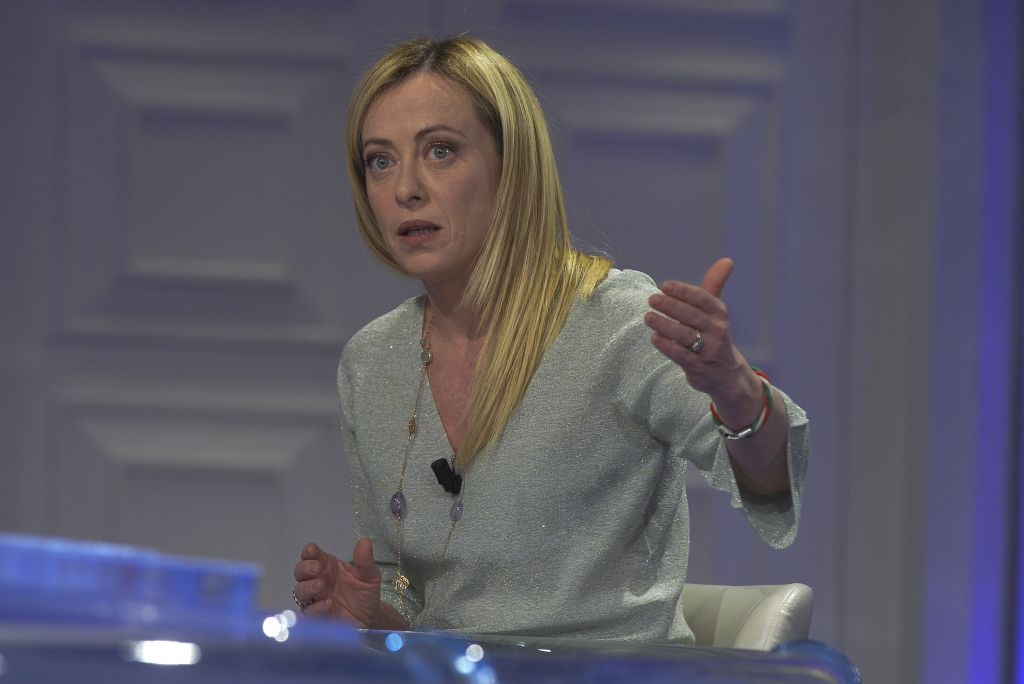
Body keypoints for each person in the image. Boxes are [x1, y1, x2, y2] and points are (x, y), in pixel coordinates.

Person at [291, 35, 808, 643]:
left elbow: (770, 479)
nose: (406, 187)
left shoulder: (617, 324)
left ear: (512, 168)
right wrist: (367, 615)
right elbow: (408, 595)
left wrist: (734, 388)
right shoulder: (372, 361)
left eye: (440, 151)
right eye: (380, 160)